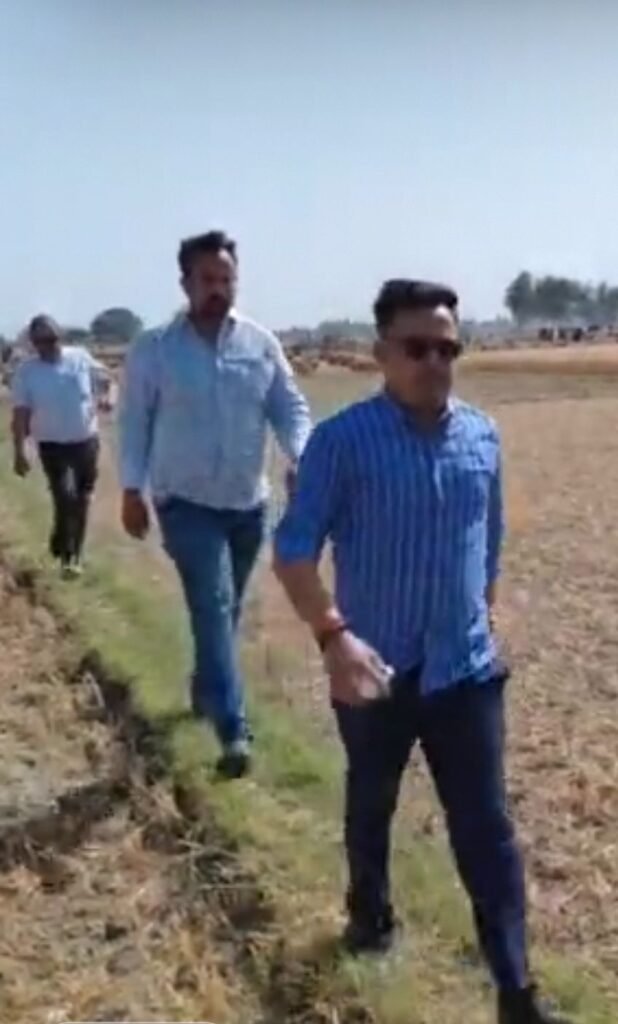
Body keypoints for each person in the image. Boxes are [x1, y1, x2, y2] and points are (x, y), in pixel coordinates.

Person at [273, 280, 570, 1024]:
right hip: (373, 670)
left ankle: (516, 993)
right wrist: (334, 638)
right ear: (381, 353)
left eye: (447, 348)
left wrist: (482, 616)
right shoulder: (341, 444)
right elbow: (294, 550)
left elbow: (488, 540)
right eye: (417, 347)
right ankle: (370, 916)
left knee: (487, 830)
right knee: (372, 800)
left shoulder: (482, 437)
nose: (435, 361)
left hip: (465, 671)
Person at [118, 230, 311, 778]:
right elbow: (134, 422)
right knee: (213, 600)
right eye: (207, 279)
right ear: (185, 283)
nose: (218, 289)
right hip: (184, 502)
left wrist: (301, 455)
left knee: (225, 610)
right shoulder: (155, 349)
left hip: (247, 503)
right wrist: (131, 490)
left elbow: (290, 408)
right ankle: (234, 731)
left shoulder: (260, 344)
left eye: (227, 279)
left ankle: (206, 691)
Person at [11, 315, 112, 578]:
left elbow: (106, 379)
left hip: (85, 441)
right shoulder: (27, 372)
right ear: (33, 343)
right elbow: (20, 413)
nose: (47, 346)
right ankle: (69, 557)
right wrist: (19, 451)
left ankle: (71, 546)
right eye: (40, 341)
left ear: (60, 337)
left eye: (51, 339)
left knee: (81, 498)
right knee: (65, 496)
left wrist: (107, 397)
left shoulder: (79, 358)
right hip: (51, 445)